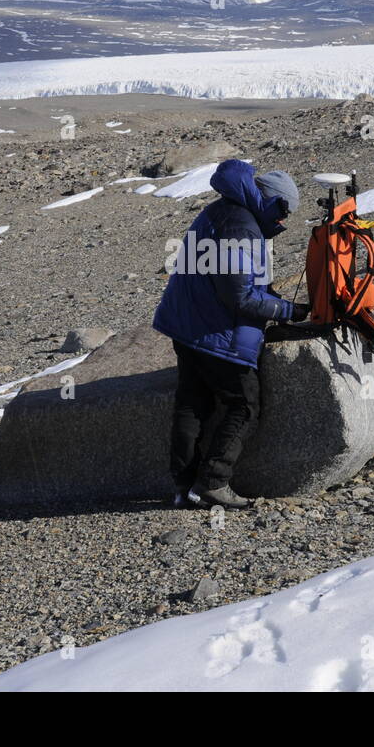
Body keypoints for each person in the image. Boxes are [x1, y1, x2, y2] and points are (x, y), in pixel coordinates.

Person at [152, 159, 308, 510]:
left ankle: (183, 486)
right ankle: (213, 483)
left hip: (189, 327)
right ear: (268, 199)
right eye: (283, 210)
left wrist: (271, 298)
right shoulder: (242, 228)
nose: (283, 220)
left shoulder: (221, 212)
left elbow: (230, 282)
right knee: (244, 405)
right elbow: (239, 297)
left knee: (193, 405)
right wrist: (288, 310)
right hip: (216, 335)